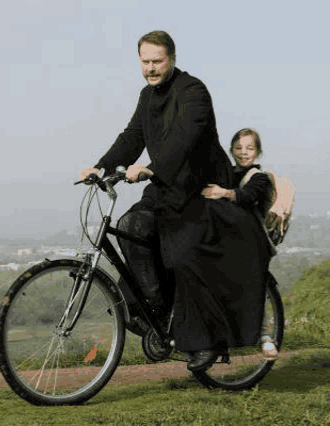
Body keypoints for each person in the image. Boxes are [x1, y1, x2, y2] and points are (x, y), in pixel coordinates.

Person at [79, 31, 272, 371]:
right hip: (166, 187)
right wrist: (102, 166)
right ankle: (158, 310)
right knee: (130, 226)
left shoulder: (193, 91)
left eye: (157, 61)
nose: (150, 69)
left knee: (182, 256)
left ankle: (203, 341)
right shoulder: (147, 95)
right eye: (145, 62)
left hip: (200, 189)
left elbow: (185, 138)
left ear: (173, 59)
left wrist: (151, 169)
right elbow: (132, 136)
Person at [201, 128, 278, 359]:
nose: (244, 153)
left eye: (250, 148)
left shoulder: (260, 178)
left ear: (259, 152)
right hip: (228, 240)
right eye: (238, 148)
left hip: (252, 244)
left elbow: (247, 196)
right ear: (231, 150)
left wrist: (222, 193)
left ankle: (265, 338)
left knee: (254, 289)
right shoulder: (226, 173)